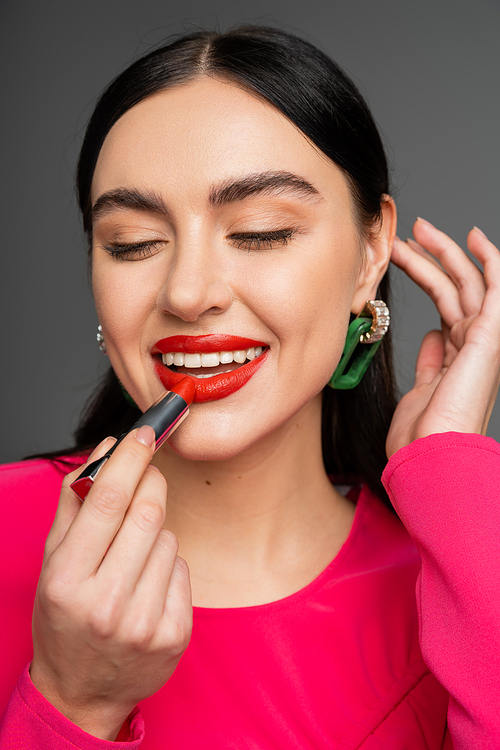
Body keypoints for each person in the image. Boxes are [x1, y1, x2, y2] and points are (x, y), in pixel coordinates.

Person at [1, 25, 499, 749]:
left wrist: (453, 475)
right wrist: (71, 704)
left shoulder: (456, 584)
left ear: (370, 256)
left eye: (261, 231)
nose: (188, 291)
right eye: (132, 243)